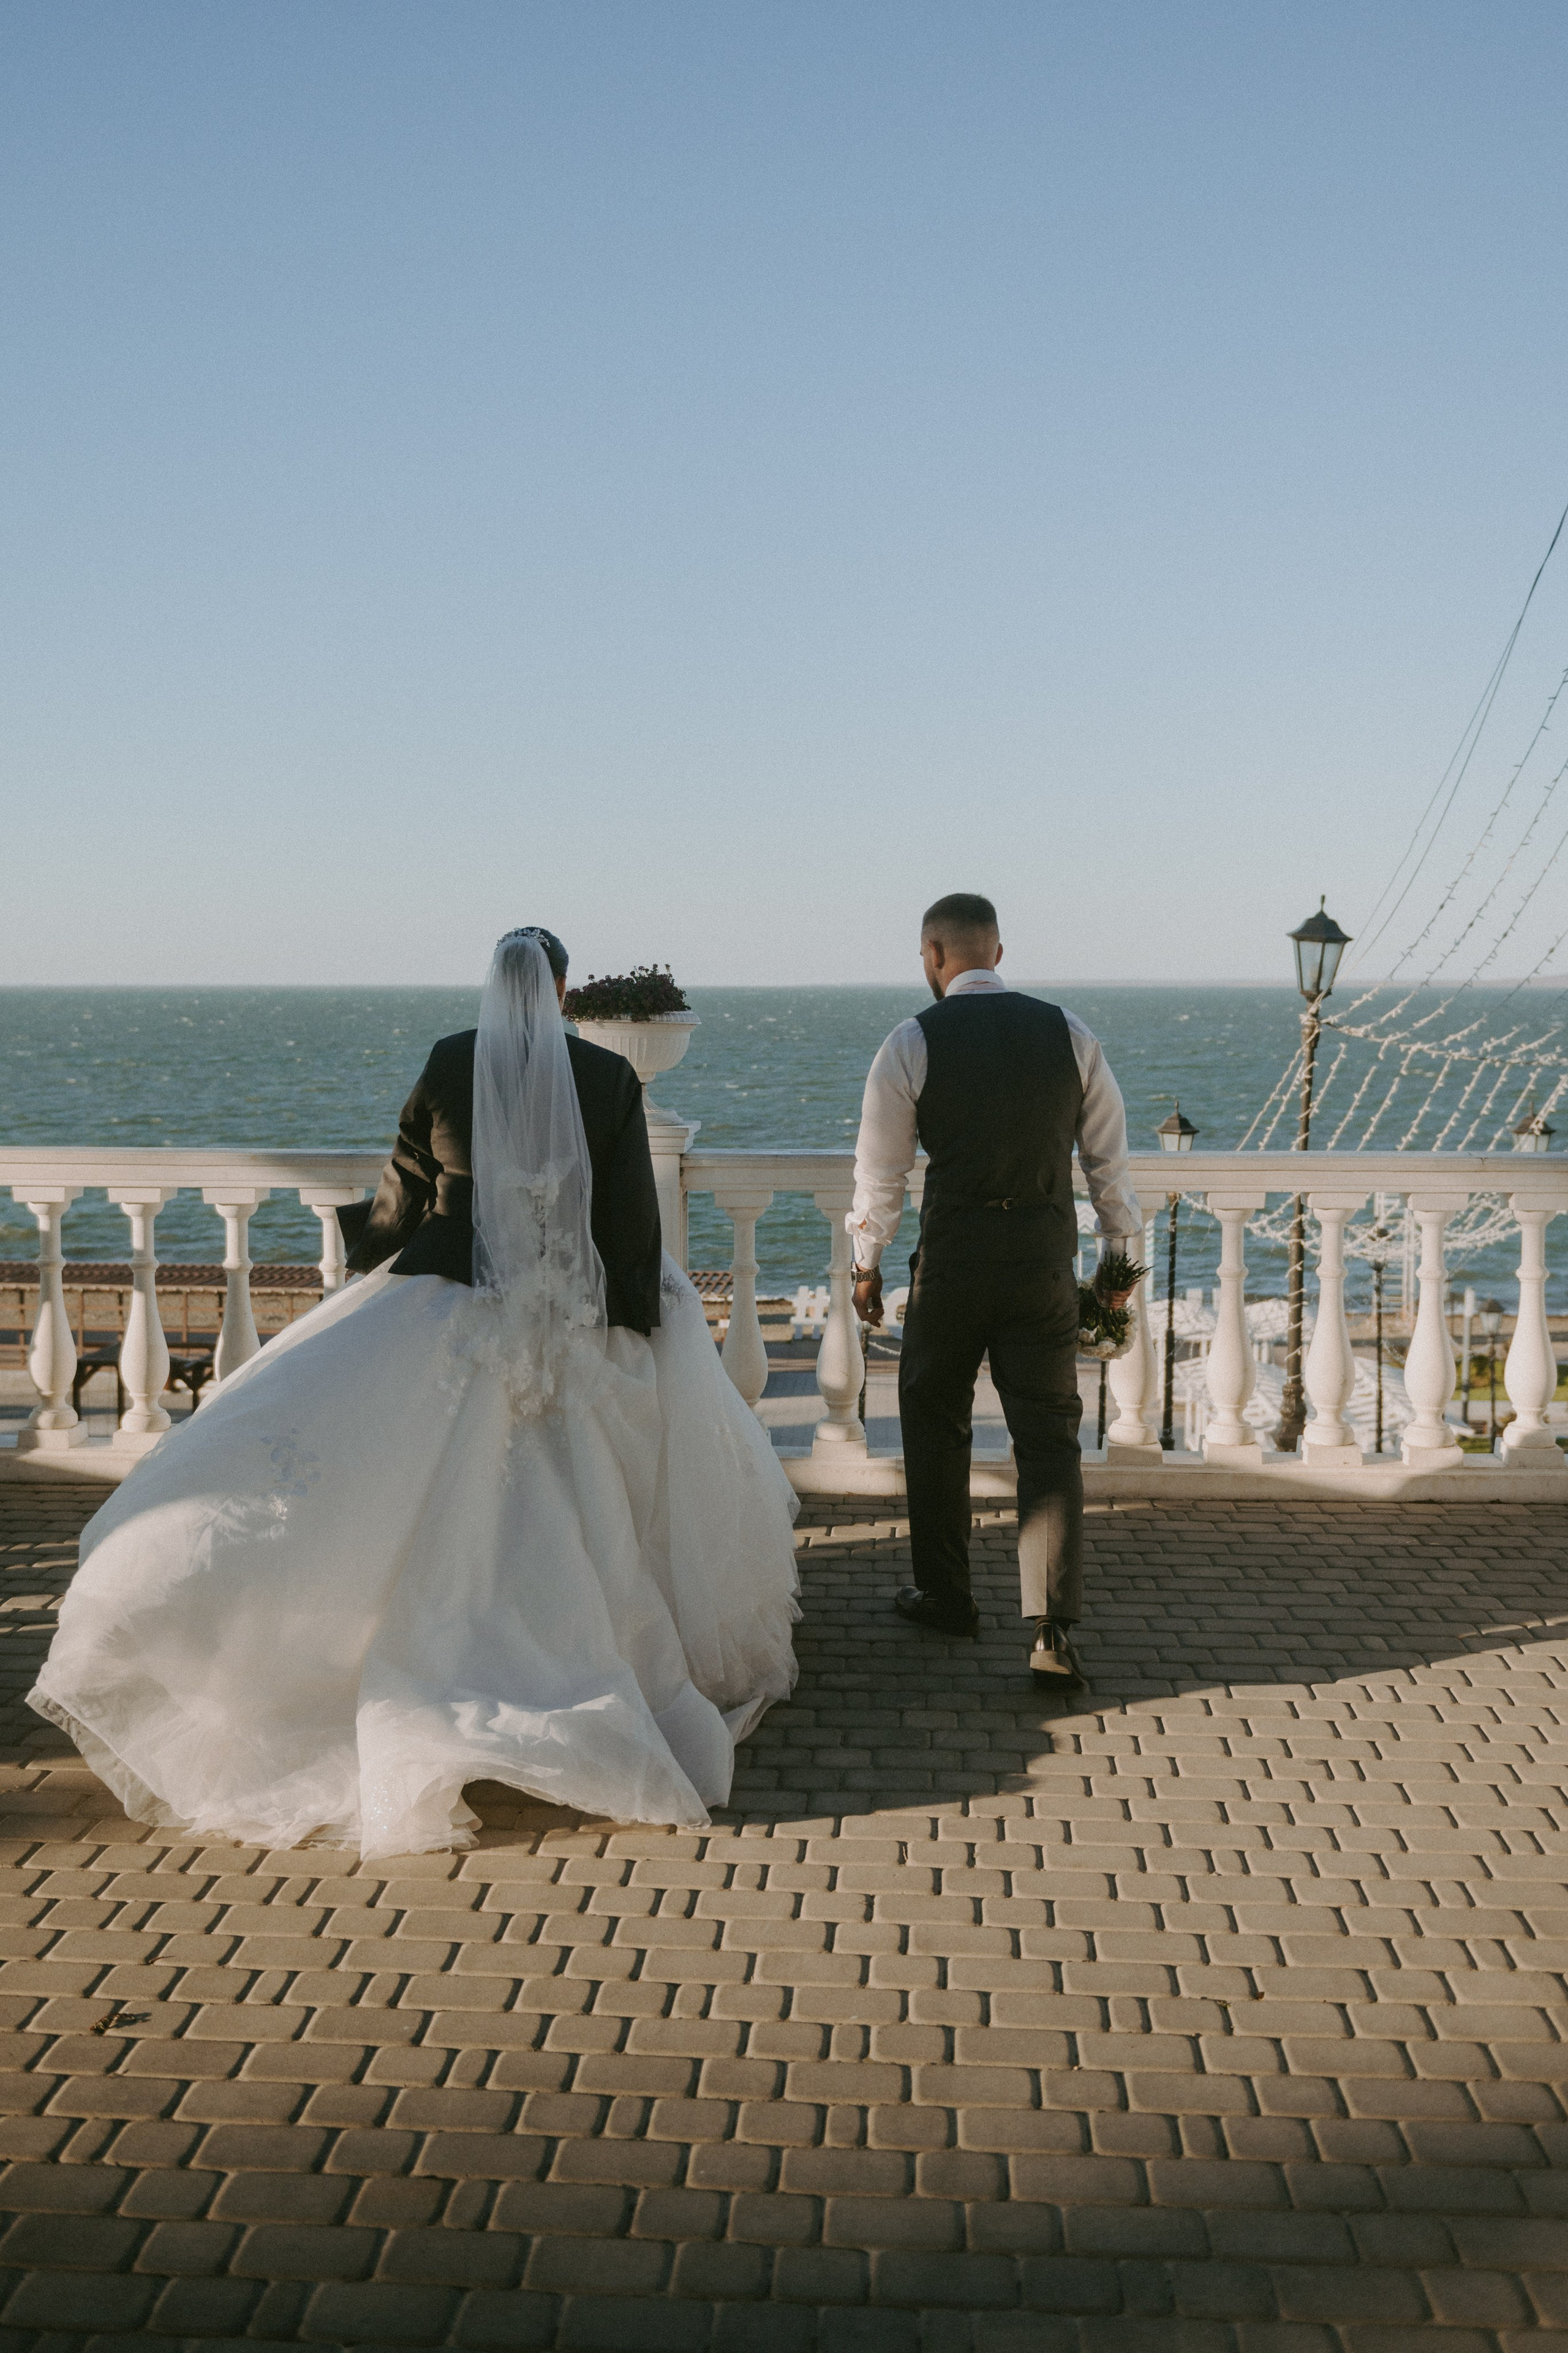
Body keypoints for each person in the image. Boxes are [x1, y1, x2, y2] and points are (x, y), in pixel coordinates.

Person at [29, 929, 799, 1857]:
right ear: (561, 990)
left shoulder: (449, 1058)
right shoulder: (606, 1079)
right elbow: (629, 1213)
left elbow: (406, 1189)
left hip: (451, 1292)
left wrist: (368, 1251)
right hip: (564, 1304)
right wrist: (635, 1309)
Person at [848, 893, 1142, 1690]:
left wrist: (865, 1263)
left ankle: (947, 1595)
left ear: (934, 954)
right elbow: (1109, 1165)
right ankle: (1052, 1630)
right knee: (1048, 1438)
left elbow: (882, 1174)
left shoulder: (911, 1040)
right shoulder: (1071, 1035)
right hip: (1042, 1260)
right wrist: (1117, 1266)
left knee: (934, 1418)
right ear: (999, 953)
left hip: (954, 1259)